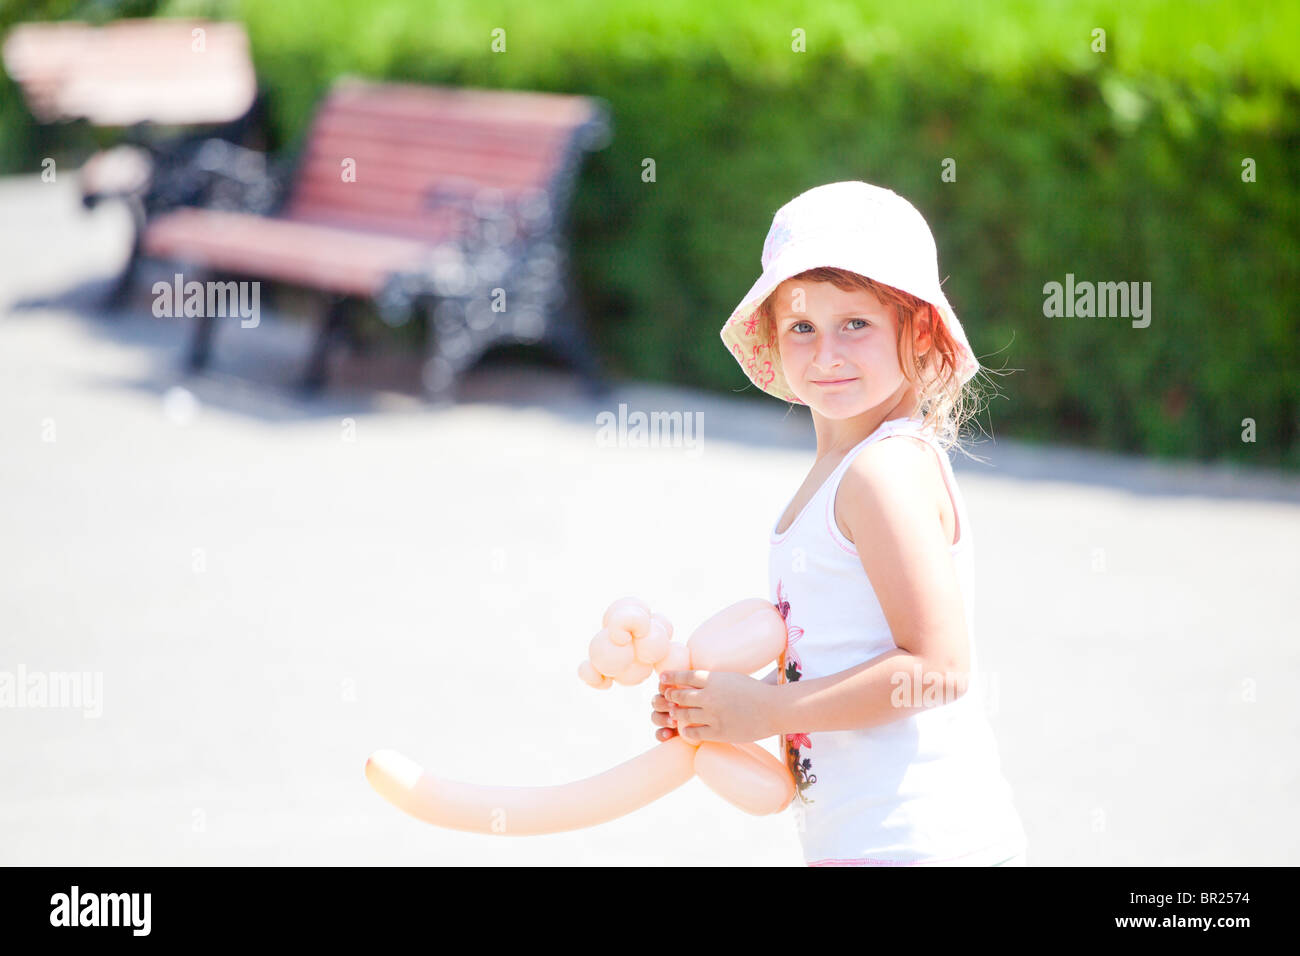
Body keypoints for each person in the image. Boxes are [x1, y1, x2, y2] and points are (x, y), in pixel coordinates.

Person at [652, 181, 1029, 866]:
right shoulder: (843, 473)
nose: (826, 353)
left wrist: (769, 714)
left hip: (919, 842)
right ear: (772, 336)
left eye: (855, 323)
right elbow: (837, 663)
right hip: (869, 841)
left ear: (916, 331)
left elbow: (939, 668)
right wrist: (724, 706)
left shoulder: (880, 475)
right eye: (802, 326)